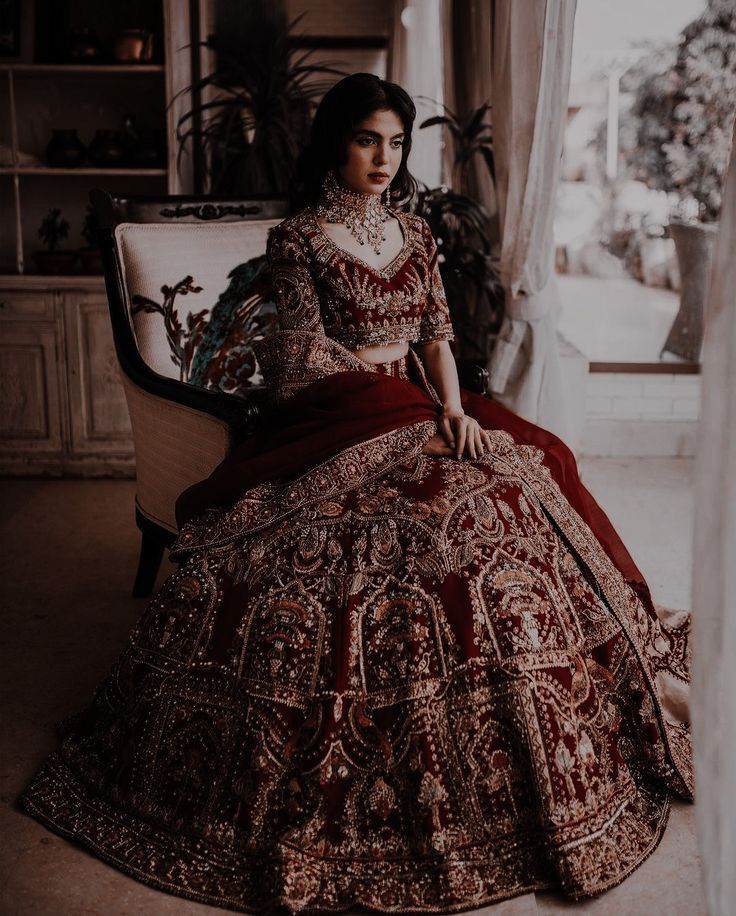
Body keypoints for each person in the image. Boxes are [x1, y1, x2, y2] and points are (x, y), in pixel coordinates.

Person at [18, 73, 693, 914]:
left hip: (420, 398)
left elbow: (440, 335)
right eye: (370, 139)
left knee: (523, 477)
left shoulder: (415, 230)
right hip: (333, 412)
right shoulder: (300, 237)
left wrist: (450, 411)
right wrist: (403, 406)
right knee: (412, 530)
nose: (386, 157)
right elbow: (302, 357)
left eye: (399, 142)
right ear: (338, 142)